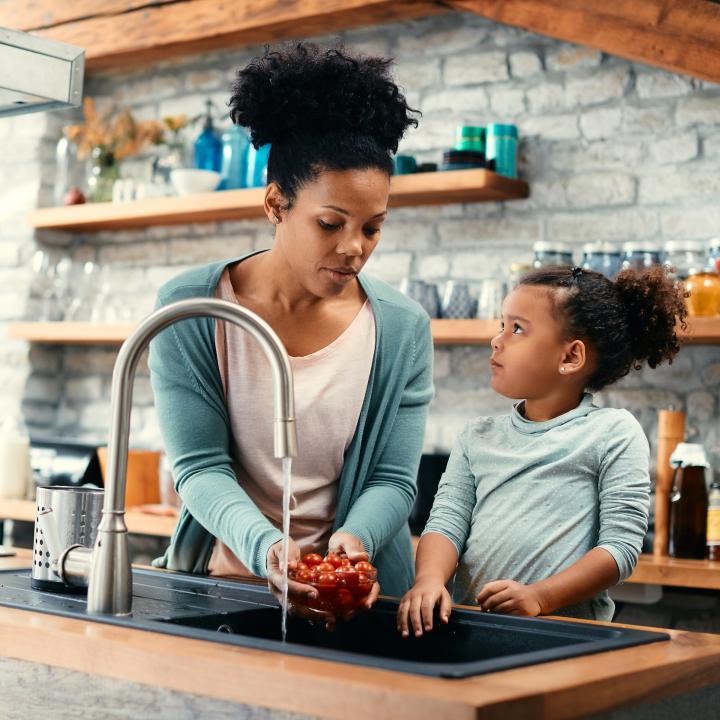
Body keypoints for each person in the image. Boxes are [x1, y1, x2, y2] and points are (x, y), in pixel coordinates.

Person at [148, 43, 433, 621]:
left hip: (363, 601)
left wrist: (352, 544)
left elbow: (395, 481)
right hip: (226, 591)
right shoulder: (194, 310)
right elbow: (199, 469)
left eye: (373, 227)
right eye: (330, 224)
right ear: (276, 203)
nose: (354, 248)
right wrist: (270, 550)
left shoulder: (401, 329)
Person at [397, 265, 687, 636]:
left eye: (517, 329)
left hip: (564, 637)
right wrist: (429, 580)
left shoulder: (613, 432)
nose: (496, 341)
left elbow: (620, 549)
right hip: (471, 628)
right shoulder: (477, 436)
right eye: (501, 325)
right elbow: (446, 524)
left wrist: (541, 597)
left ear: (570, 357)